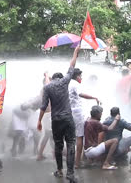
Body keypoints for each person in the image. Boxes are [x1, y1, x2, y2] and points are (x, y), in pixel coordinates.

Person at [37, 45, 80, 182]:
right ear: (60, 78)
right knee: (71, 143)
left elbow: (43, 106)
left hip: (56, 120)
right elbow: (72, 65)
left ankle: (60, 170)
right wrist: (75, 52)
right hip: (68, 118)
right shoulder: (65, 81)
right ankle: (71, 174)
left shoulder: (47, 87)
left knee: (58, 145)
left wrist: (39, 120)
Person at [69, 68, 100, 168]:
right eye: (80, 76)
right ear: (77, 76)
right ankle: (77, 163)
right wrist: (94, 97)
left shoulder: (67, 83)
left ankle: (75, 160)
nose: (81, 78)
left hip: (69, 112)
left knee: (71, 138)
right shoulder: (75, 84)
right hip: (77, 113)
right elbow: (81, 94)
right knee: (80, 137)